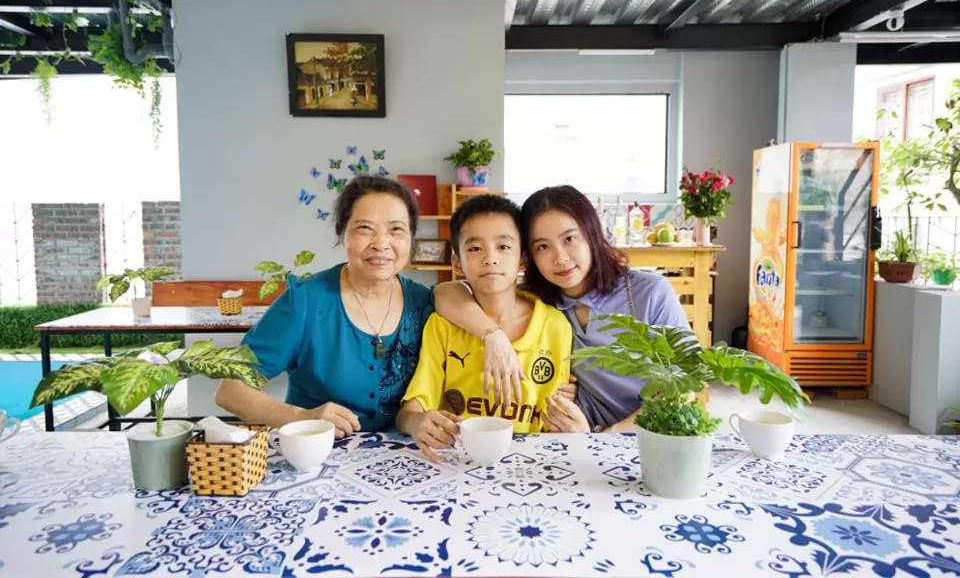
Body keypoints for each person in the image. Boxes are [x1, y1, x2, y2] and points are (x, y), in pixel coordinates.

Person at [434, 185, 690, 433]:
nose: (560, 258)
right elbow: (444, 293)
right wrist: (494, 335)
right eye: (542, 246)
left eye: (569, 239)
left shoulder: (649, 293)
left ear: (592, 234)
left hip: (650, 434)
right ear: (528, 255)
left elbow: (684, 385)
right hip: (572, 432)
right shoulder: (537, 299)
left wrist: (607, 435)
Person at [215, 175, 433, 438]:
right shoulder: (305, 301)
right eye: (365, 228)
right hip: (316, 456)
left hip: (407, 462)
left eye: (396, 229)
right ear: (343, 236)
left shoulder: (424, 302)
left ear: (411, 238)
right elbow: (230, 390)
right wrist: (303, 417)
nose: (381, 243)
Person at [396, 194, 583, 461]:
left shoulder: (555, 326)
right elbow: (410, 411)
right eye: (475, 248)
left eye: (504, 246)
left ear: (523, 259)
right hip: (457, 463)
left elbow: (556, 417)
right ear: (456, 263)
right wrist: (417, 423)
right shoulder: (443, 325)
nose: (490, 259)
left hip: (529, 465)